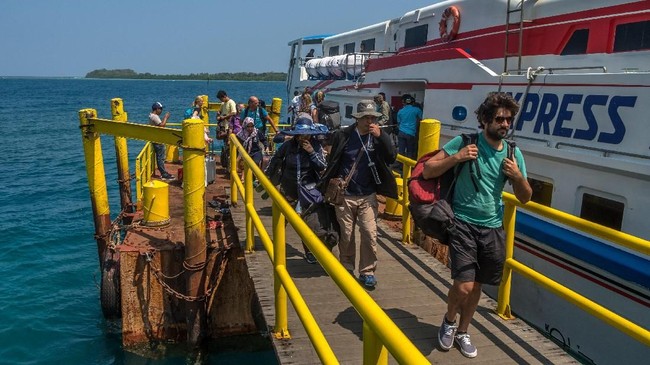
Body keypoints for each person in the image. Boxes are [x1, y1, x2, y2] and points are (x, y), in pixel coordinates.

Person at [423, 92, 532, 358]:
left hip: (493, 228)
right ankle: (449, 321)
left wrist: (517, 177)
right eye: (499, 119)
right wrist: (457, 158)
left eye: (508, 120)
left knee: (479, 286)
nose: (505, 124)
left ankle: (463, 330)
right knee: (464, 285)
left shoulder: (513, 153)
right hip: (462, 223)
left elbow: (526, 197)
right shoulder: (465, 142)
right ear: (484, 120)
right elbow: (428, 170)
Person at [319, 100, 397, 288]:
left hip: (368, 194)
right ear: (358, 118)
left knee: (370, 234)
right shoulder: (344, 135)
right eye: (366, 117)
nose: (370, 121)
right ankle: (346, 266)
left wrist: (382, 137)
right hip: (345, 194)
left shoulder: (377, 137)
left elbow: (391, 157)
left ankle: (367, 271)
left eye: (373, 117)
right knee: (346, 235)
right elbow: (333, 160)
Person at [264, 116, 328, 263]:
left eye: (305, 134)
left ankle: (310, 251)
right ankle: (278, 245)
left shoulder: (316, 146)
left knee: (309, 223)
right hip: (288, 187)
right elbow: (275, 160)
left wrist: (311, 152)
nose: (302, 137)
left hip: (308, 190)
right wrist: (266, 178)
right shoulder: (288, 146)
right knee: (282, 218)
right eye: (300, 134)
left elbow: (322, 166)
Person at [148, 102, 174, 181]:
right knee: (160, 158)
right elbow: (162, 126)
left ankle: (164, 172)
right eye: (160, 109)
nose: (161, 111)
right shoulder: (155, 117)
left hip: (155, 138)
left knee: (160, 157)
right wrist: (166, 117)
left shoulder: (151, 116)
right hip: (158, 140)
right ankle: (163, 174)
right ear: (156, 109)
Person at [396, 94, 422, 160]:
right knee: (410, 151)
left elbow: (398, 122)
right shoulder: (417, 110)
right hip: (411, 133)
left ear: (404, 102)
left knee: (401, 150)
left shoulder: (400, 111)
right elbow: (422, 119)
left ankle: (400, 164)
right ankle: (408, 166)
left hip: (401, 132)